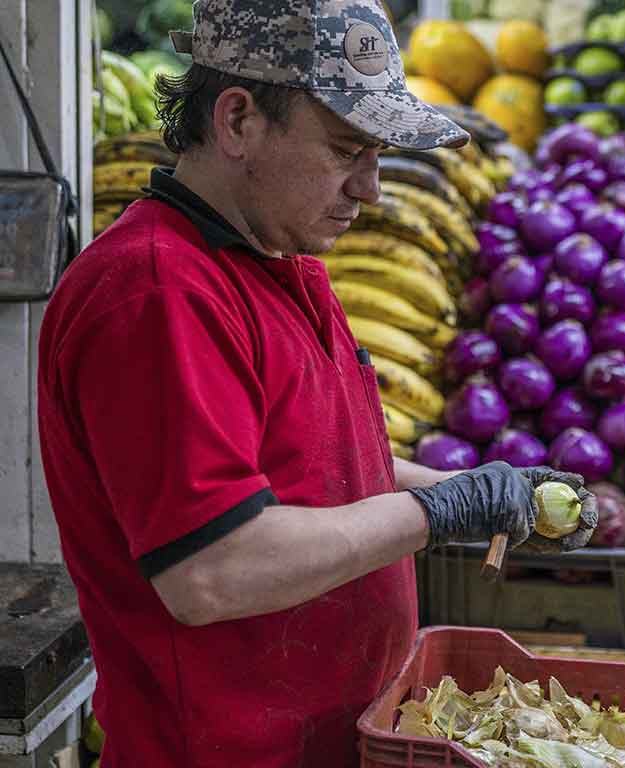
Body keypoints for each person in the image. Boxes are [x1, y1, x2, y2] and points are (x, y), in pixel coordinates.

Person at [36, 1, 596, 765]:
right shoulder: (158, 295)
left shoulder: (281, 265)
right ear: (237, 121)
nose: (371, 189)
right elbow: (213, 570)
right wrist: (436, 512)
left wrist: (484, 491)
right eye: (345, 151)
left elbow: (309, 468)